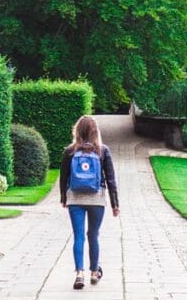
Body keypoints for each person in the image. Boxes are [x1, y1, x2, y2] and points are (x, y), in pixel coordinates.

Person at [59, 116, 120, 290]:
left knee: (78, 236)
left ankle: (79, 273)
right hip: (97, 199)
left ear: (77, 130)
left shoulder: (70, 151)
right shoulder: (102, 151)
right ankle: (94, 272)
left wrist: (64, 198)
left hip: (75, 199)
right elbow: (111, 180)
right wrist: (115, 204)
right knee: (93, 235)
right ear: (95, 131)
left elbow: (63, 178)